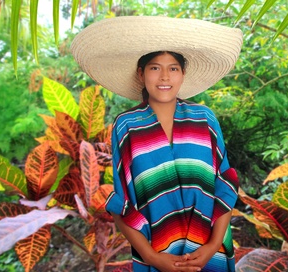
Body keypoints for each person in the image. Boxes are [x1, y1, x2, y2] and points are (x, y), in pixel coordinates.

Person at [71, 16, 243, 271]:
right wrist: (152, 258)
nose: (164, 76)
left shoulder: (205, 119)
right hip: (158, 254)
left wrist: (211, 246)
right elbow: (122, 203)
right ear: (141, 73)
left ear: (183, 73)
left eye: (173, 68)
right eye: (154, 67)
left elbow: (225, 186)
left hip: (210, 252)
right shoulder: (126, 126)